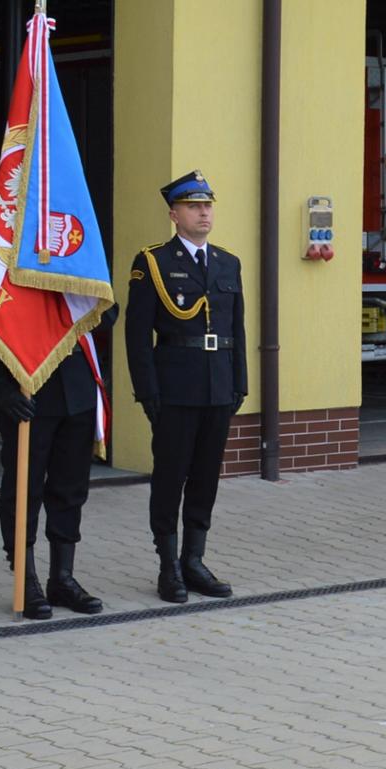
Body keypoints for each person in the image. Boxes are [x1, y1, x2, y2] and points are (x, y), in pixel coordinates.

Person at [126, 171, 248, 603]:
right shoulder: (154, 262)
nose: (203, 213)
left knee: (205, 477)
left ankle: (195, 561)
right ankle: (168, 564)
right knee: (171, 476)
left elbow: (237, 328)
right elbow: (137, 335)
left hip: (217, 387)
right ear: (174, 214)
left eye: (208, 205)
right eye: (194, 206)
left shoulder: (227, 263)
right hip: (175, 389)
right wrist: (148, 392)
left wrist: (241, 384)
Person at [0, 306, 112, 620]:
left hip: (77, 383)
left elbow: (110, 312)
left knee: (71, 488)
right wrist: (0, 386)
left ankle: (62, 577)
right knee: (24, 488)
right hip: (28, 386)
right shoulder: (8, 255)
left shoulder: (79, 255)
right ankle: (26, 578)